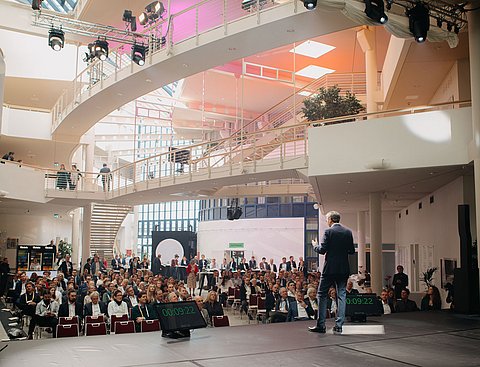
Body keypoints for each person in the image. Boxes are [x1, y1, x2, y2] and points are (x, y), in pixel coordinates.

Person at [309, 210, 355, 334]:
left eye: (327, 219)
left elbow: (322, 250)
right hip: (343, 268)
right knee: (342, 295)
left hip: (330, 269)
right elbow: (351, 251)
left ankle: (321, 325)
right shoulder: (348, 232)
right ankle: (339, 325)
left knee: (322, 295)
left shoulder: (328, 232)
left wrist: (314, 245)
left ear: (330, 220)